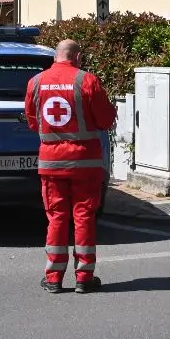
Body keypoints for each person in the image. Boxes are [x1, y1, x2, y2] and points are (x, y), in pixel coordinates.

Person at [25, 38, 116, 294]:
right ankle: (84, 278)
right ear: (77, 57)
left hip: (51, 163)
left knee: (56, 217)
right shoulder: (87, 80)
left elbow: (33, 123)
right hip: (85, 163)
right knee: (84, 216)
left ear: (56, 56)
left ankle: (53, 278)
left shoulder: (36, 82)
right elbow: (106, 119)